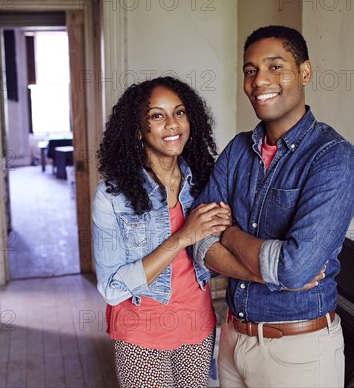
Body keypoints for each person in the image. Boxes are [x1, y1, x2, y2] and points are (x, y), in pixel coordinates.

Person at [192, 25, 354, 387]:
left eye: (275, 67)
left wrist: (229, 232)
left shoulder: (333, 158)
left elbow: (294, 269)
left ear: (304, 72)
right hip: (232, 338)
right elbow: (199, 243)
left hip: (297, 352)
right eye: (250, 70)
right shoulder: (238, 150)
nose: (259, 81)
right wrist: (266, 272)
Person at [92, 76, 242, 387]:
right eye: (157, 116)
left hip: (198, 326)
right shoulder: (112, 196)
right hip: (141, 333)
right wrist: (184, 236)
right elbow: (112, 288)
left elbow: (215, 256)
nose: (172, 124)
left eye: (180, 112)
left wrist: (226, 226)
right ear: (138, 129)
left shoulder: (204, 182)